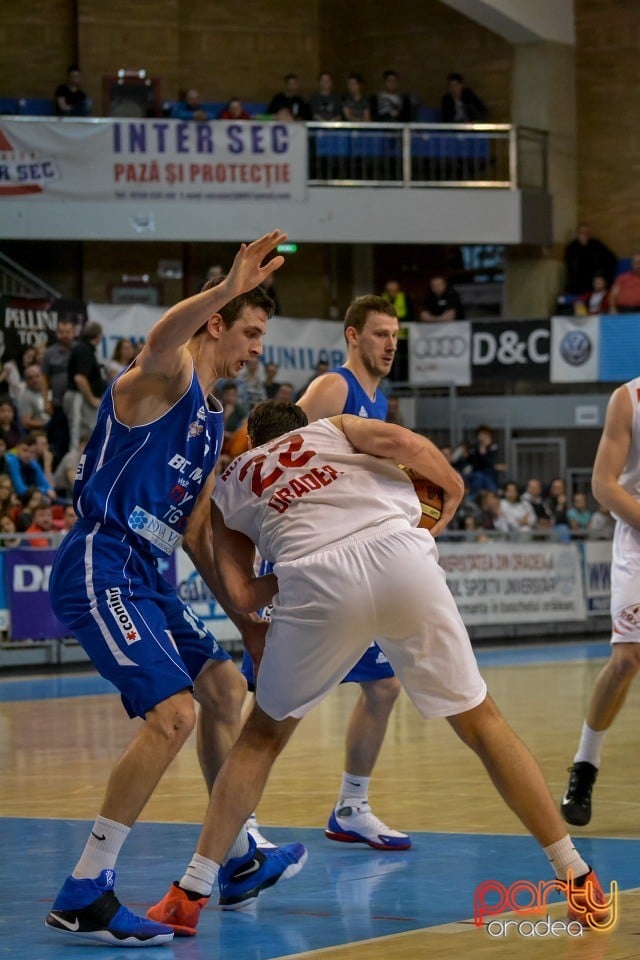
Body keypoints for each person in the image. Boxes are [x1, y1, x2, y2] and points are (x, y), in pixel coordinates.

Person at [148, 398, 610, 936]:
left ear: (251, 442)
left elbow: (241, 592)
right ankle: (577, 875)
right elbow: (405, 445)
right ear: (304, 428)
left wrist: (299, 570)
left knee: (260, 739)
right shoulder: (335, 427)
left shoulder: (232, 484)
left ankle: (191, 891)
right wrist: (454, 491)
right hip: (399, 555)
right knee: (483, 723)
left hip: (316, 584)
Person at [44, 231, 307, 947]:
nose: (257, 349)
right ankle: (86, 888)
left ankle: (239, 855)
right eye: (250, 331)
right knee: (173, 717)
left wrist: (249, 619)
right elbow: (164, 334)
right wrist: (226, 285)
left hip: (150, 577)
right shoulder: (166, 375)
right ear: (218, 322)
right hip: (102, 561)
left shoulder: (214, 421)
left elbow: (195, 535)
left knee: (225, 692)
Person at [245, 296, 410, 852]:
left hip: (346, 561)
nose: (390, 344)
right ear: (352, 336)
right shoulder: (332, 389)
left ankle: (352, 807)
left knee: (383, 685)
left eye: (395, 335)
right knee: (277, 700)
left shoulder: (377, 400)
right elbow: (282, 462)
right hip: (304, 561)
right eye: (381, 334)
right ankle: (240, 823)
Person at [561, 378, 640, 826]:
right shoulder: (628, 399)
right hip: (636, 535)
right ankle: (585, 765)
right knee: (627, 659)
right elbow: (603, 485)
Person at [62, 321, 108, 452]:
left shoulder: (85, 349)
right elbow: (80, 378)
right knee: (78, 434)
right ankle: (75, 465)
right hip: (79, 397)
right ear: (98, 335)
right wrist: (92, 399)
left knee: (88, 431)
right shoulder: (84, 350)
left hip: (82, 398)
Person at [42, 316, 76, 465]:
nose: (65, 335)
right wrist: (46, 400)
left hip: (75, 404)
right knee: (58, 441)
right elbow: (44, 377)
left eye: (68, 332)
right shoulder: (49, 353)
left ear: (74, 332)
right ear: (57, 333)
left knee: (74, 439)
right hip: (57, 404)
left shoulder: (78, 350)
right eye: (61, 332)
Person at [564, 223, 617, 296]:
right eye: (582, 232)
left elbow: (612, 259)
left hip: (596, 277)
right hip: (580, 280)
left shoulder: (596, 244)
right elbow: (571, 269)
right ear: (577, 234)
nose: (585, 235)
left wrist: (602, 274)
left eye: (587, 232)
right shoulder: (571, 248)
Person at [4, 434, 56, 500]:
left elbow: (48, 486)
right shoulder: (11, 460)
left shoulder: (32, 462)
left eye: (31, 452)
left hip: (31, 496)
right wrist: (44, 491)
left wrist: (46, 490)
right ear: (17, 447)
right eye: (25, 450)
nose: (28, 455)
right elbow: (21, 490)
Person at [17, 364, 51, 432]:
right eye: (30, 378)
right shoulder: (25, 397)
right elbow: (25, 422)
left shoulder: (50, 390)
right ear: (26, 381)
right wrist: (48, 424)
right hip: (40, 431)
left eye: (37, 376)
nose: (35, 380)